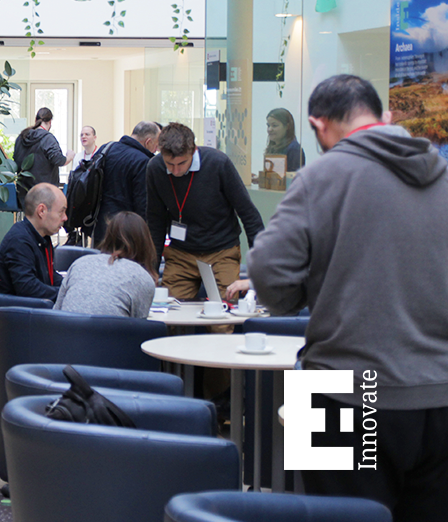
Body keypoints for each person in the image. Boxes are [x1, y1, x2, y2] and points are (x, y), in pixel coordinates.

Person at [250, 75, 448, 520]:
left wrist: (303, 295)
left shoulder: (321, 175)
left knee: (332, 516)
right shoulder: (443, 173)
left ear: (318, 126)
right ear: (386, 118)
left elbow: (268, 272)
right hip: (439, 390)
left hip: (338, 386)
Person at [145, 122, 263, 300]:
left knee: (225, 313)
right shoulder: (155, 168)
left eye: (182, 163)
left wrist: (260, 266)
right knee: (169, 311)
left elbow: (248, 214)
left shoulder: (218, 163)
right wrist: (151, 268)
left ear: (193, 151)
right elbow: (155, 221)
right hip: (180, 252)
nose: (175, 171)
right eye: (170, 164)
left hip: (222, 250)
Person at [53, 211, 157, 318]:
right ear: (145, 242)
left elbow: (56, 311)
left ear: (108, 236)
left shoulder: (79, 263)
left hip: (66, 332)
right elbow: (139, 325)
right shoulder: (143, 278)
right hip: (111, 333)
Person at [0, 183, 68, 301]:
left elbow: (50, 276)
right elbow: (27, 288)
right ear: (41, 211)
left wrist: (70, 286)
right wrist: (65, 294)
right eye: (61, 212)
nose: (65, 218)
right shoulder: (18, 241)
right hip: (16, 313)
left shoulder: (43, 237)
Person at [93, 120, 159, 243]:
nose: (156, 150)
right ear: (148, 142)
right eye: (156, 145)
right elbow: (142, 203)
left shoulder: (106, 148)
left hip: (98, 223)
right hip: (126, 229)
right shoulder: (143, 161)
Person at [12, 107, 75, 207]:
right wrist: (69, 157)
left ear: (35, 120)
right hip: (45, 196)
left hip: (24, 195)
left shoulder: (21, 138)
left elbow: (15, 160)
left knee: (29, 221)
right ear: (50, 122)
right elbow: (58, 160)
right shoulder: (47, 138)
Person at [264, 107, 305, 172]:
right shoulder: (272, 148)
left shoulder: (294, 149)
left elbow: (293, 178)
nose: (269, 129)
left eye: (274, 125)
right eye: (268, 125)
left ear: (287, 127)